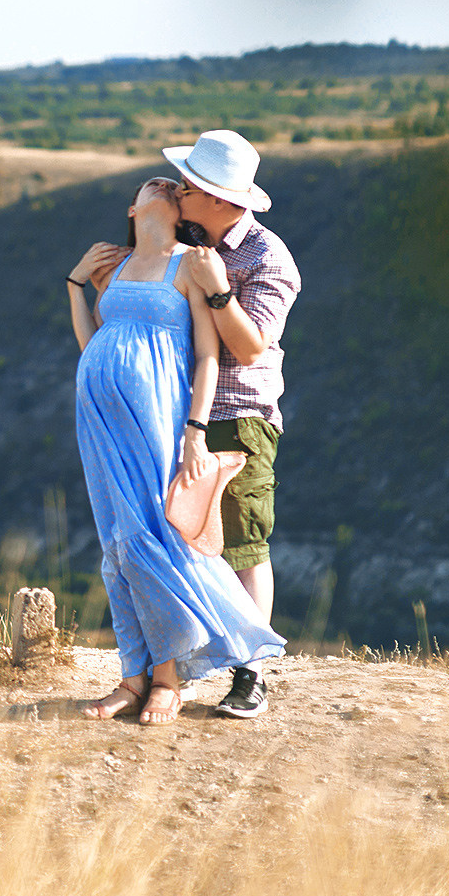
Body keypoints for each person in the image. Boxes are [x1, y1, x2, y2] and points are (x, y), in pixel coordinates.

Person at [66, 175, 285, 725]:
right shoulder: (111, 269)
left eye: (182, 184)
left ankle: (179, 675)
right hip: (102, 421)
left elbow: (225, 351)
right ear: (133, 209)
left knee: (164, 538)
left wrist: (193, 428)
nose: (170, 186)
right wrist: (75, 286)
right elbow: (99, 341)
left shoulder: (199, 262)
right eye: (157, 184)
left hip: (181, 417)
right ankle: (132, 677)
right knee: (118, 543)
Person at [168, 129, 302, 719]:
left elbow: (250, 350)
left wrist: (219, 290)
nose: (178, 192)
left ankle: (252, 675)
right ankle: (190, 662)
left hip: (240, 416)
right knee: (189, 541)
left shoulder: (270, 260)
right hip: (182, 412)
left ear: (223, 200)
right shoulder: (189, 237)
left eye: (190, 186)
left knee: (244, 541)